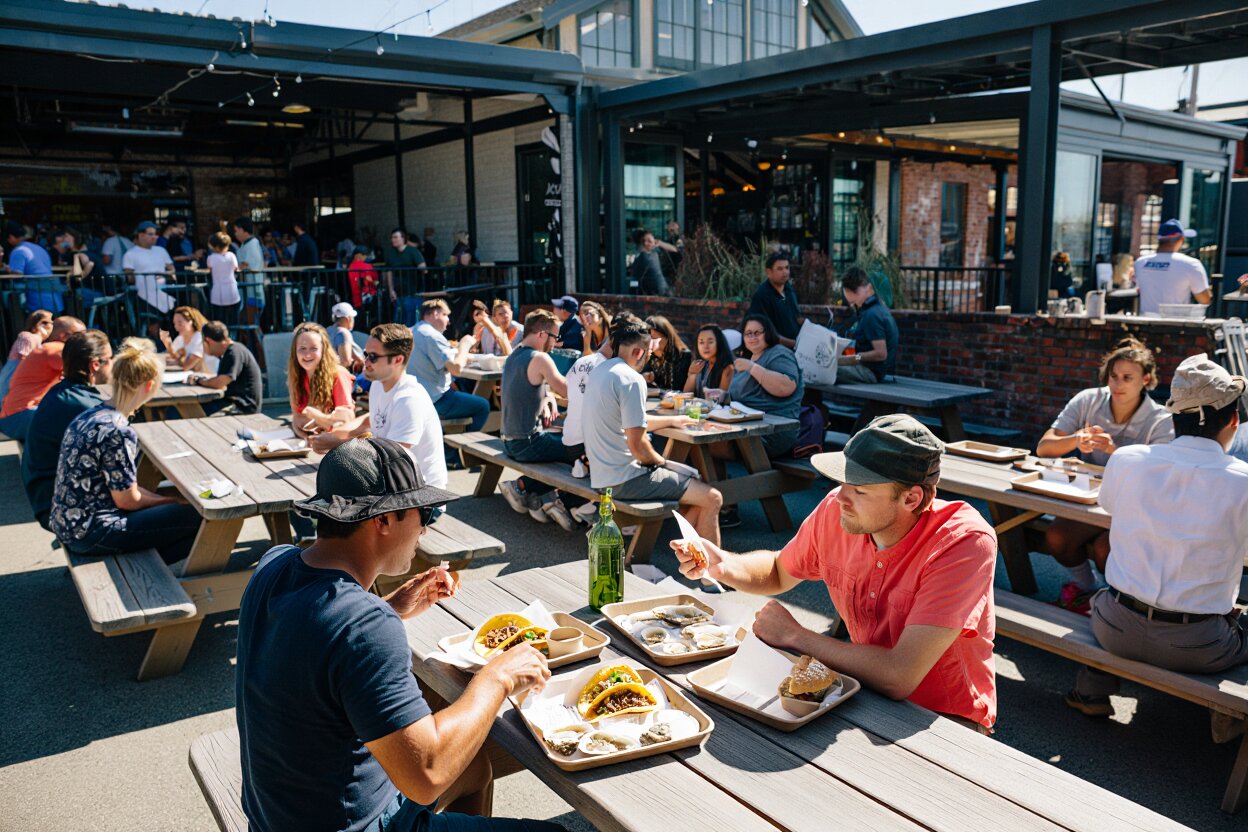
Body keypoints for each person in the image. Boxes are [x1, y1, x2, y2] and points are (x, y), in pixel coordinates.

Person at [236, 437, 557, 832]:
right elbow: (428, 773)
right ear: (383, 521)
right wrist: (498, 677)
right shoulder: (365, 626)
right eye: (423, 513)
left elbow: (318, 639)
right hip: (359, 824)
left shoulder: (273, 564)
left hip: (279, 817)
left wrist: (390, 606)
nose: (425, 527)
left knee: (473, 767)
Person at [673, 414, 999, 732]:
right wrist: (725, 564)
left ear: (911, 498)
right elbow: (778, 571)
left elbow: (899, 675)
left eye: (860, 490)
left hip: (944, 721)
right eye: (843, 481)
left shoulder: (963, 543)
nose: (840, 497)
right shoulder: (838, 510)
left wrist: (796, 636)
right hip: (861, 691)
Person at [1064, 355, 1248, 719]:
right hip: (1198, 644)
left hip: (1114, 624)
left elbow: (1110, 506)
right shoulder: (1242, 480)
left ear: (1172, 418)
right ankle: (1228, 722)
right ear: (1233, 420)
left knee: (1114, 593)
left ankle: (1092, 688)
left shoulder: (1128, 459)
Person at [1036, 338, 1174, 613]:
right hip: (1089, 499)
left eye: (1127, 377)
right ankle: (1088, 590)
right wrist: (1076, 439)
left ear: (1146, 380)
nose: (1118, 384)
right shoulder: (1088, 400)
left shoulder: (1161, 420)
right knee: (1057, 536)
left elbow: (1160, 476)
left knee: (1105, 548)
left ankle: (1112, 603)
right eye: (1113, 376)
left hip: (1135, 506)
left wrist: (1115, 450)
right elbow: (1044, 447)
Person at [49, 340, 202, 566]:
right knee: (199, 518)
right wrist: (169, 502)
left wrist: (166, 501)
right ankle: (141, 567)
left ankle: (140, 561)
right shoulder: (118, 430)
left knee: (177, 512)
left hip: (69, 524)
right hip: (92, 532)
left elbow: (123, 487)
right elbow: (127, 500)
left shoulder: (91, 415)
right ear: (149, 385)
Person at [582, 324, 723, 544]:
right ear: (638, 352)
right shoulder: (631, 379)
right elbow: (638, 447)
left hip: (602, 475)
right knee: (713, 497)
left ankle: (694, 559)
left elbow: (630, 423)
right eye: (647, 354)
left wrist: (673, 420)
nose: (647, 359)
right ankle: (715, 573)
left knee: (693, 493)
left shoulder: (600, 371)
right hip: (625, 479)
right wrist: (661, 462)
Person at [308, 324, 448, 490]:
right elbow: (373, 419)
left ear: (397, 360)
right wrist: (337, 431)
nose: (365, 361)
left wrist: (336, 443)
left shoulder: (409, 400)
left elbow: (392, 458)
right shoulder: (378, 385)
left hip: (422, 495)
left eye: (373, 357)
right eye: (366, 353)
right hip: (394, 485)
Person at [495, 310, 580, 529]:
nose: (556, 343)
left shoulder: (514, 354)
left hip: (508, 440)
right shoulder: (540, 357)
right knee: (580, 449)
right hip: (527, 442)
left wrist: (547, 396)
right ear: (542, 334)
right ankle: (536, 492)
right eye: (555, 337)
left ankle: (541, 498)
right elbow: (568, 390)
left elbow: (528, 387)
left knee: (565, 440)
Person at [22, 330, 112, 530]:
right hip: (64, 511)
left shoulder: (64, 392)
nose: (113, 365)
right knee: (187, 516)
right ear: (95, 365)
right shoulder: (86, 409)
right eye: (110, 359)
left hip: (48, 500)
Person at [724, 313, 804, 457]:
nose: (752, 337)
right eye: (748, 333)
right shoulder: (750, 358)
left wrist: (752, 368)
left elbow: (786, 386)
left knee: (713, 444)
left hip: (771, 432)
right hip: (746, 426)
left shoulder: (779, 353)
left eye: (757, 333)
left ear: (768, 332)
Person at [410, 298, 490, 434]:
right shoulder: (432, 335)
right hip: (435, 400)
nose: (449, 320)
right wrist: (465, 344)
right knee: (483, 406)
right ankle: (457, 449)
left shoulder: (412, 331)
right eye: (446, 315)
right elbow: (456, 369)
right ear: (436, 314)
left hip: (415, 399)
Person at [0, 315, 86, 440]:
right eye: (81, 335)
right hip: (20, 416)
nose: (86, 340)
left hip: (13, 417)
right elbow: (88, 371)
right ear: (64, 336)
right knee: (79, 420)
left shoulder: (48, 348)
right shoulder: (58, 349)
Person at [288, 322, 356, 439]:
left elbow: (346, 420)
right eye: (302, 349)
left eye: (313, 348)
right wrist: (300, 430)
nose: (307, 354)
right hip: (310, 443)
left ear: (323, 351)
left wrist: (316, 416)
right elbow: (297, 418)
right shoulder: (297, 376)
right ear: (295, 352)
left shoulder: (338, 374)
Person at [1134, 219, 1212, 316]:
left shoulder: (1140, 263)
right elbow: (1205, 300)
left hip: (1147, 325)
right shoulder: (1191, 264)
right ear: (1181, 239)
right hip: (1177, 326)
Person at [837, 265, 899, 384]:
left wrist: (854, 358)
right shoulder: (876, 309)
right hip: (871, 369)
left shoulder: (872, 315)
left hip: (870, 372)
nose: (852, 305)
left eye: (853, 302)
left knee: (825, 370)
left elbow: (881, 354)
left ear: (866, 289)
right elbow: (863, 346)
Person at [187, 321, 264, 416]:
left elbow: (221, 382)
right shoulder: (230, 351)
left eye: (202, 343)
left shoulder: (234, 352)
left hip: (243, 407)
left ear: (208, 341)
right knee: (193, 409)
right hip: (236, 403)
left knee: (189, 412)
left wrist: (199, 381)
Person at [4, 220, 65, 314]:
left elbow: (17, 275)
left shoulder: (18, 251)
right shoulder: (38, 248)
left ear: (11, 237)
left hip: (38, 299)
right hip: (55, 297)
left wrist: (8, 270)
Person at [745, 252, 803, 349]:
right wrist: (795, 344)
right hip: (774, 350)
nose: (785, 272)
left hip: (795, 348)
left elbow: (797, 317)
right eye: (780, 269)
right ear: (769, 272)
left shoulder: (789, 290)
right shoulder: (762, 295)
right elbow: (765, 333)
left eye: (787, 268)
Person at [123, 220, 177, 317]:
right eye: (151, 234)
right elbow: (130, 277)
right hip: (144, 296)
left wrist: (165, 275)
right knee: (152, 325)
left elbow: (171, 269)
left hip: (165, 291)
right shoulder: (130, 254)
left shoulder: (161, 250)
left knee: (169, 324)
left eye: (156, 234)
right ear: (141, 235)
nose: (155, 237)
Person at [0, 309, 53, 403]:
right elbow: (24, 358)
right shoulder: (27, 336)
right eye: (50, 322)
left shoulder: (37, 340)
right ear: (40, 324)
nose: (52, 326)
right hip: (14, 374)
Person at [384, 229, 427, 327]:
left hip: (413, 291)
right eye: (392, 237)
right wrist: (391, 290)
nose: (393, 240)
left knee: (411, 321)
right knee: (398, 320)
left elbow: (424, 268)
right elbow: (389, 272)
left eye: (395, 237)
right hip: (398, 292)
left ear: (403, 239)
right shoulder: (391, 253)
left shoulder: (412, 251)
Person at [683, 324, 735, 400]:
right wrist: (692, 374)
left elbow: (721, 402)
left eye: (710, 342)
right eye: (701, 342)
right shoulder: (701, 365)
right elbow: (685, 396)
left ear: (719, 343)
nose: (705, 346)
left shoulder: (727, 368)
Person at [233, 217, 267, 329]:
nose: (235, 234)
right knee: (248, 322)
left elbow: (246, 264)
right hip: (247, 290)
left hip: (253, 290)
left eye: (236, 230)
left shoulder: (252, 244)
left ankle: (258, 345)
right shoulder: (246, 244)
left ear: (242, 230)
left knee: (252, 323)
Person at [642, 315, 691, 391]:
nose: (650, 342)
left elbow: (678, 386)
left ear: (667, 336)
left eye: (654, 338)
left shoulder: (683, 356)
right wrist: (647, 377)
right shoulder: (648, 356)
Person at [159, 305, 212, 373]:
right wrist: (169, 347)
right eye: (174, 323)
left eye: (180, 323)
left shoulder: (199, 338)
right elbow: (174, 358)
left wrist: (176, 362)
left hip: (207, 375)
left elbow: (187, 366)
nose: (176, 327)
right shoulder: (180, 338)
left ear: (191, 322)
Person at [206, 231, 241, 323]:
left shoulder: (211, 258)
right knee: (233, 317)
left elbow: (209, 269)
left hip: (218, 289)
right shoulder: (232, 256)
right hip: (231, 288)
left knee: (218, 317)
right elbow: (236, 268)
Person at [628, 228, 671, 296]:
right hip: (661, 294)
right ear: (645, 243)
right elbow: (635, 279)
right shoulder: (651, 255)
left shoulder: (647, 256)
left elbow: (634, 280)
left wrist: (631, 294)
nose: (654, 241)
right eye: (651, 240)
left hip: (656, 295)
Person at [329, 301, 366, 375]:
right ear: (348, 319)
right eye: (352, 318)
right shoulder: (344, 333)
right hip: (342, 376)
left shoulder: (327, 330)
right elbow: (345, 361)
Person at [347, 245, 379, 310]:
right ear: (359, 255)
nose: (366, 257)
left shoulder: (350, 266)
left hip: (354, 298)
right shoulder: (367, 267)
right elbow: (375, 281)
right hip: (367, 298)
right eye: (365, 255)